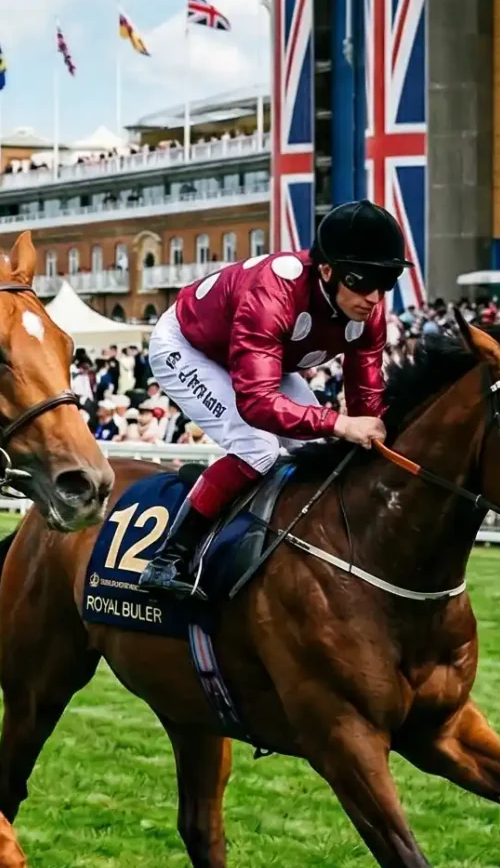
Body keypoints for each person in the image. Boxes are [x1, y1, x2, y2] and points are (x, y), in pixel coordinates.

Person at [137, 199, 398, 599]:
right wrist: (342, 423)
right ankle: (167, 560)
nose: (374, 298)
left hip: (258, 359)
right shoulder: (275, 290)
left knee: (320, 450)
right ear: (327, 271)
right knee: (258, 448)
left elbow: (367, 404)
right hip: (189, 346)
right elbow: (256, 403)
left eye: (386, 282)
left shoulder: (369, 313)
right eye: (362, 282)